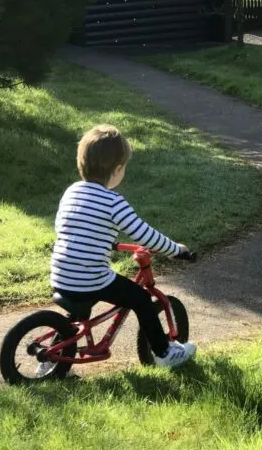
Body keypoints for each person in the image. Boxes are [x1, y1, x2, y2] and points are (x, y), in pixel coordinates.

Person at [50, 124, 197, 368]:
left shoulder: (72, 191)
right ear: (118, 169)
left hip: (61, 275)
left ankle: (52, 365)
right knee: (141, 300)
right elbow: (145, 235)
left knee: (75, 319)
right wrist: (175, 250)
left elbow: (68, 226)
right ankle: (164, 353)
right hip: (90, 279)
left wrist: (106, 241)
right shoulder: (112, 201)